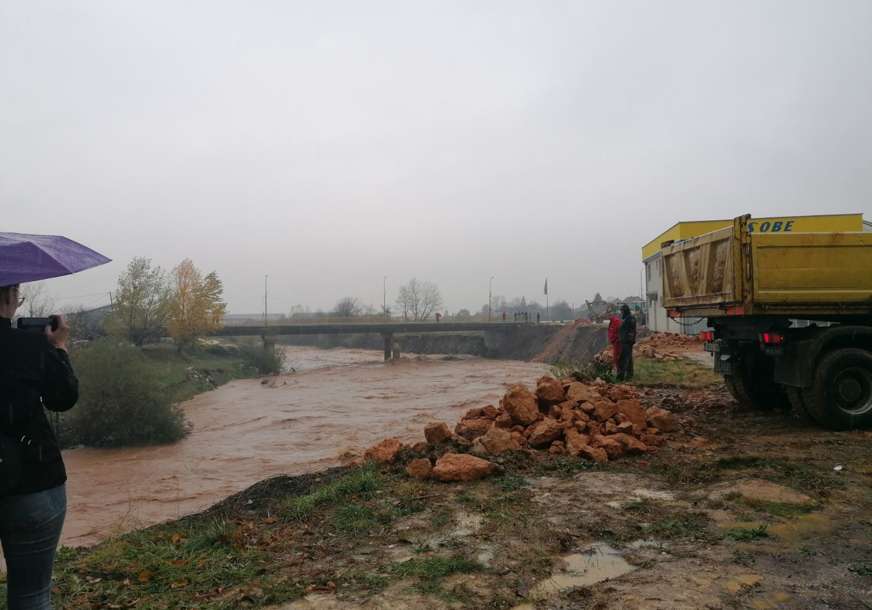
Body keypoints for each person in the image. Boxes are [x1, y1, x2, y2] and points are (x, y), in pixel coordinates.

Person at [0, 283, 79, 610]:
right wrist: (58, 347)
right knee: (31, 596)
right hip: (32, 480)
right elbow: (62, 398)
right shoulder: (31, 345)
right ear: (10, 294)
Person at [616, 304, 637, 381]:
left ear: (625, 311)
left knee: (623, 359)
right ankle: (629, 375)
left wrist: (628, 340)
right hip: (626, 341)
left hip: (627, 342)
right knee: (628, 358)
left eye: (622, 311)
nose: (621, 313)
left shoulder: (630, 319)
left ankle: (621, 376)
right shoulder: (627, 318)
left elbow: (631, 331)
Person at [607, 307, 622, 373]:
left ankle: (619, 372)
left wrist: (616, 339)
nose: (608, 315)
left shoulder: (616, 321)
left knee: (617, 357)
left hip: (617, 342)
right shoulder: (612, 321)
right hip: (614, 342)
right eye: (608, 313)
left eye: (610, 313)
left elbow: (619, 331)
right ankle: (618, 371)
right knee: (616, 357)